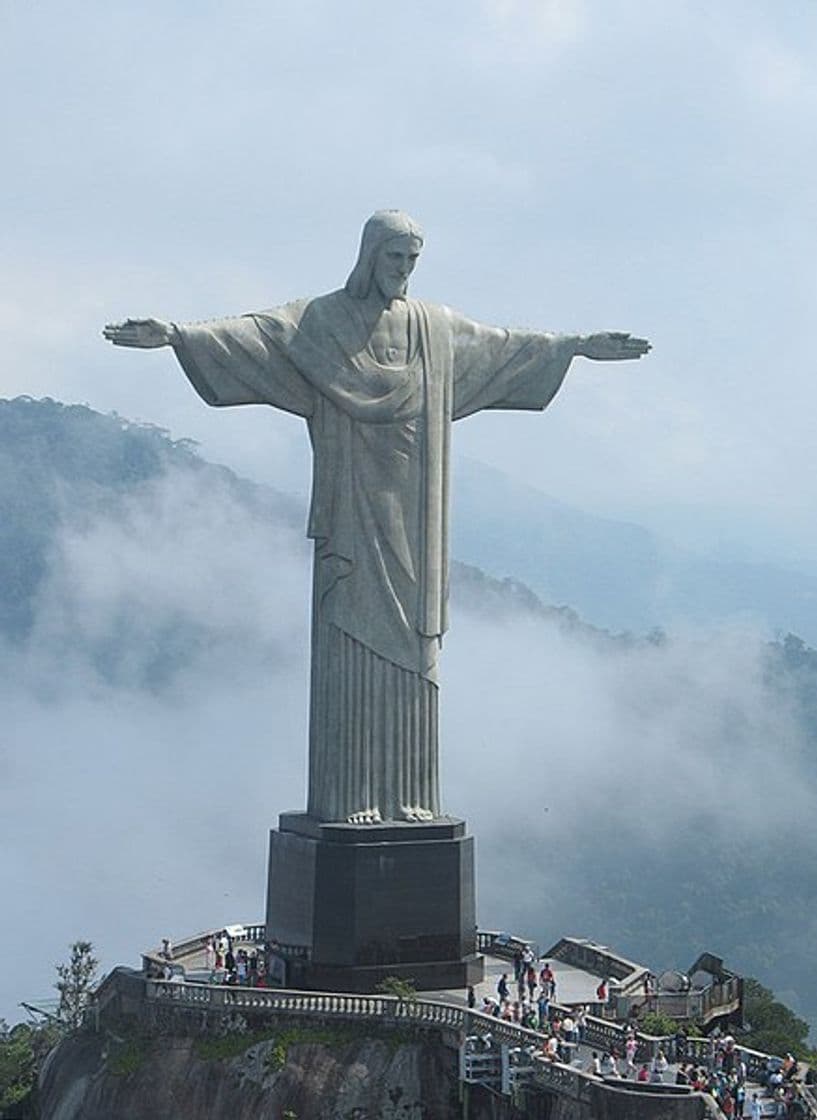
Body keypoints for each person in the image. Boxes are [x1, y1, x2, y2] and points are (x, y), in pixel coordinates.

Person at [104, 210, 649, 826]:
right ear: (369, 255)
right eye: (396, 258)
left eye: (414, 260)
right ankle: (350, 796)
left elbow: (501, 347)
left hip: (418, 517)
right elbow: (253, 335)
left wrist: (574, 346)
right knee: (352, 644)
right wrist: (177, 334)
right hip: (352, 512)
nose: (405, 271)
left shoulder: (434, 331)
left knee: (415, 647)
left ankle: (411, 797)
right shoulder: (320, 323)